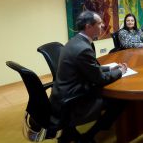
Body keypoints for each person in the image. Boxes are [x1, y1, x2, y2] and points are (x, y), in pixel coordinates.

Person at [50, 11, 128, 142]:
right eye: (99, 23)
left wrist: (110, 67)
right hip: (73, 99)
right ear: (88, 26)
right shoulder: (83, 48)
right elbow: (99, 79)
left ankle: (68, 133)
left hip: (60, 94)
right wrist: (121, 72)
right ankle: (89, 135)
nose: (103, 25)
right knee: (120, 101)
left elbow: (88, 69)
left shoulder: (74, 41)